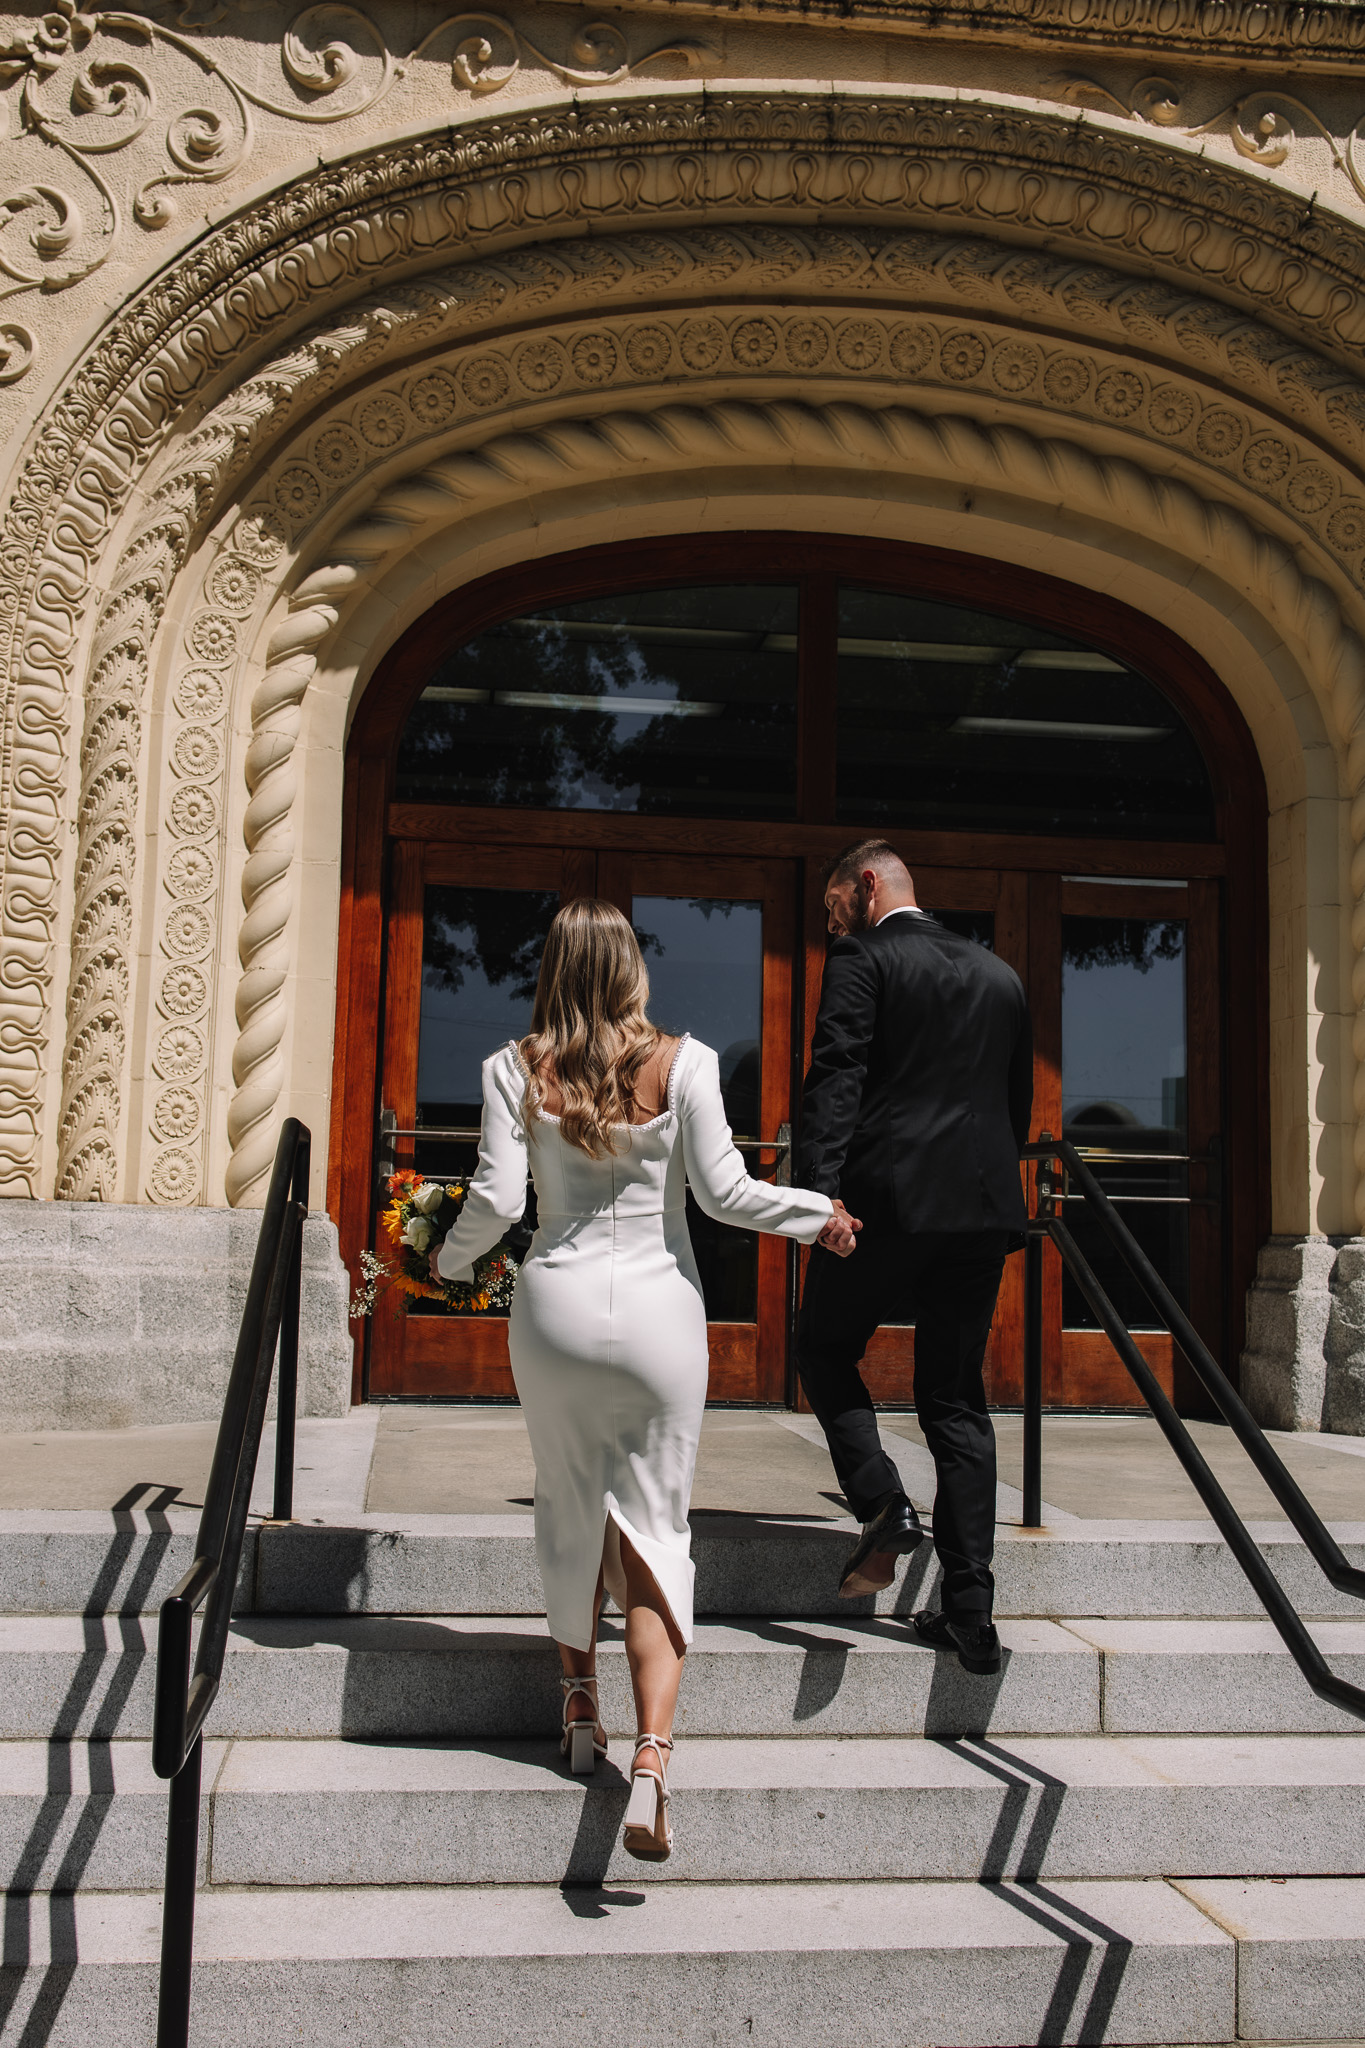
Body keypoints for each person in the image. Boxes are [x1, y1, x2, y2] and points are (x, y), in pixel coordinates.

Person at [432, 898, 854, 1860]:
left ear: (552, 967)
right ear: (631, 967)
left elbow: (498, 1199)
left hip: (555, 1310)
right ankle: (653, 1761)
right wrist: (814, 1213)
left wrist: (446, 1264)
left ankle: (580, 1708)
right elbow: (725, 1194)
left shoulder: (510, 1066)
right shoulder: (687, 1062)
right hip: (661, 1314)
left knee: (568, 1502)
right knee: (658, 1526)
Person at [794, 838, 1033, 1675]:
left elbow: (837, 1075)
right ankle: (970, 1612)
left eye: (831, 912)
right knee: (955, 1399)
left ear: (866, 885)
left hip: (884, 1207)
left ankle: (883, 1506)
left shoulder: (865, 957)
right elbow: (1011, 1102)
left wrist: (818, 1194)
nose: (832, 930)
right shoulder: (999, 974)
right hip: (978, 1213)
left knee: (822, 1347)